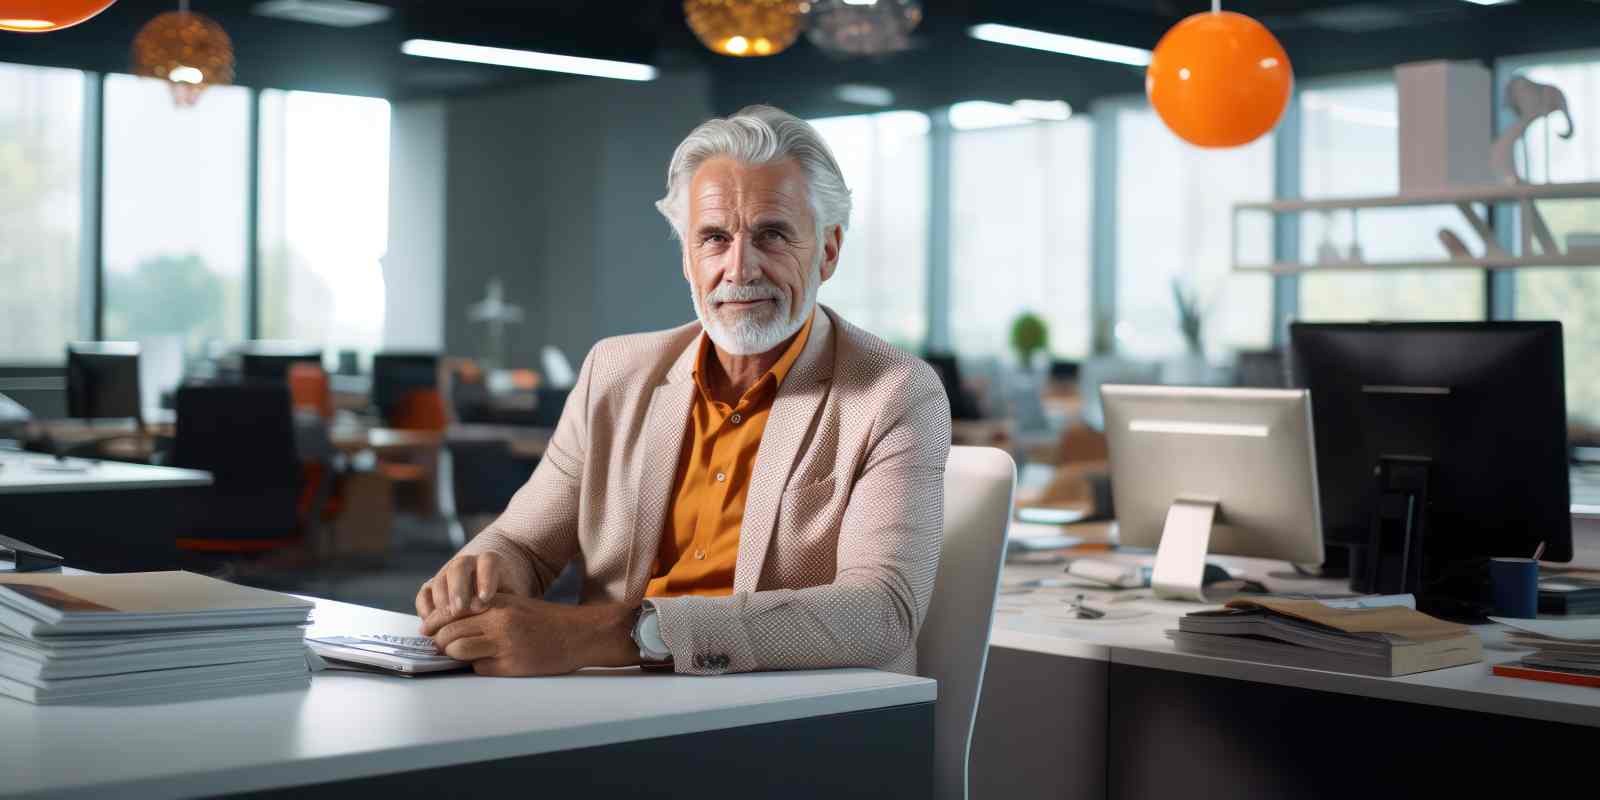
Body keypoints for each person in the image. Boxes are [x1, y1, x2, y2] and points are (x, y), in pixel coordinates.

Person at [416, 105, 951, 676]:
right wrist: (479, 571)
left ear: (828, 251)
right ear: (686, 257)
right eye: (714, 238)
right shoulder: (615, 372)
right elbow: (523, 543)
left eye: (771, 235)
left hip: (784, 717)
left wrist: (608, 635)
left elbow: (880, 614)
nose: (739, 268)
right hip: (603, 707)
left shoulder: (894, 392)